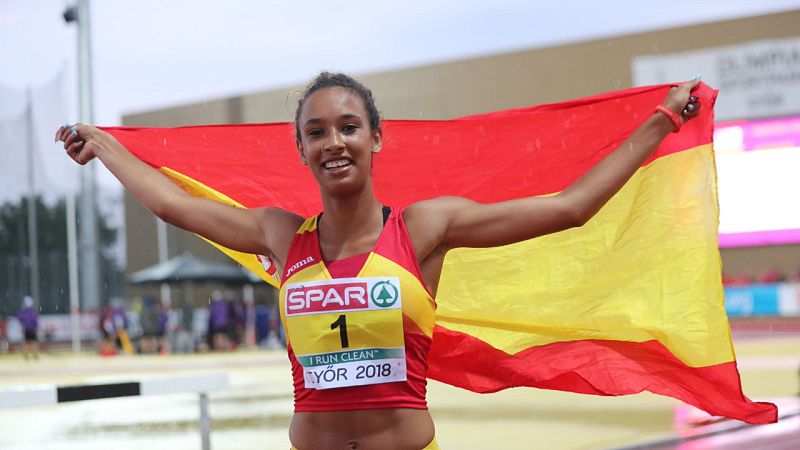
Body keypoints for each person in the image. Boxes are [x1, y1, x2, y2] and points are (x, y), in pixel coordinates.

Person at [57, 72, 701, 450]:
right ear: (301, 151)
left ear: (375, 138)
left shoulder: (425, 228)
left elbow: (570, 207)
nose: (333, 141)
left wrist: (662, 121)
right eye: (316, 132)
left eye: (347, 126)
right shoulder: (280, 236)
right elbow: (172, 206)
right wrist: (107, 146)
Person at [16, 295, 39, 361]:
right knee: (33, 342)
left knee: (26, 342)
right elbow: (35, 321)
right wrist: (36, 328)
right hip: (32, 329)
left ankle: (26, 356)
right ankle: (34, 355)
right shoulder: (33, 311)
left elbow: (20, 319)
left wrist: (22, 327)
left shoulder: (23, 311)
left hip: (26, 328)